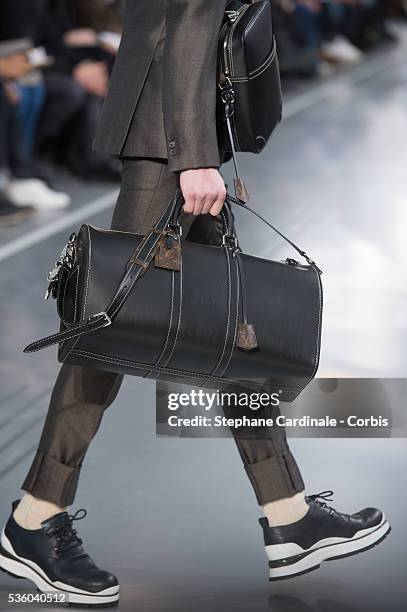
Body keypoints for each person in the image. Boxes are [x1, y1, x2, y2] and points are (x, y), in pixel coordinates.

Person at [0, 1, 389, 606]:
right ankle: (33, 518)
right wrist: (193, 156)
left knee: (231, 328)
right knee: (111, 325)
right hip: (170, 136)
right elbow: (187, 16)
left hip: (173, 126)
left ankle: (287, 513)